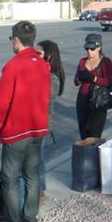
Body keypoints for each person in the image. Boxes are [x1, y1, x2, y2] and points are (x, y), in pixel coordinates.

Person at [0, 21, 51, 222]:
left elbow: (2, 102)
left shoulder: (13, 66)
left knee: (11, 178)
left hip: (17, 131)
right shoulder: (43, 64)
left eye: (11, 39)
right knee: (32, 174)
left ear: (16, 40)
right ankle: (30, 216)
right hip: (38, 127)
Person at [35, 40, 65, 204]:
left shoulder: (52, 78)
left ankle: (40, 192)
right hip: (32, 123)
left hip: (42, 124)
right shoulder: (37, 72)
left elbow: (43, 100)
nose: (35, 56)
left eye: (39, 53)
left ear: (49, 56)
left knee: (38, 160)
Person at [74, 33, 112, 140]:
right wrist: (80, 78)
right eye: (87, 49)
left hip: (98, 99)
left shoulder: (106, 62)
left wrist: (93, 78)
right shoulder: (82, 61)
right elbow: (76, 82)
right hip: (83, 98)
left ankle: (93, 154)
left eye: (92, 49)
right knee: (84, 132)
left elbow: (109, 82)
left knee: (94, 133)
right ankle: (85, 153)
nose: (89, 52)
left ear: (99, 48)